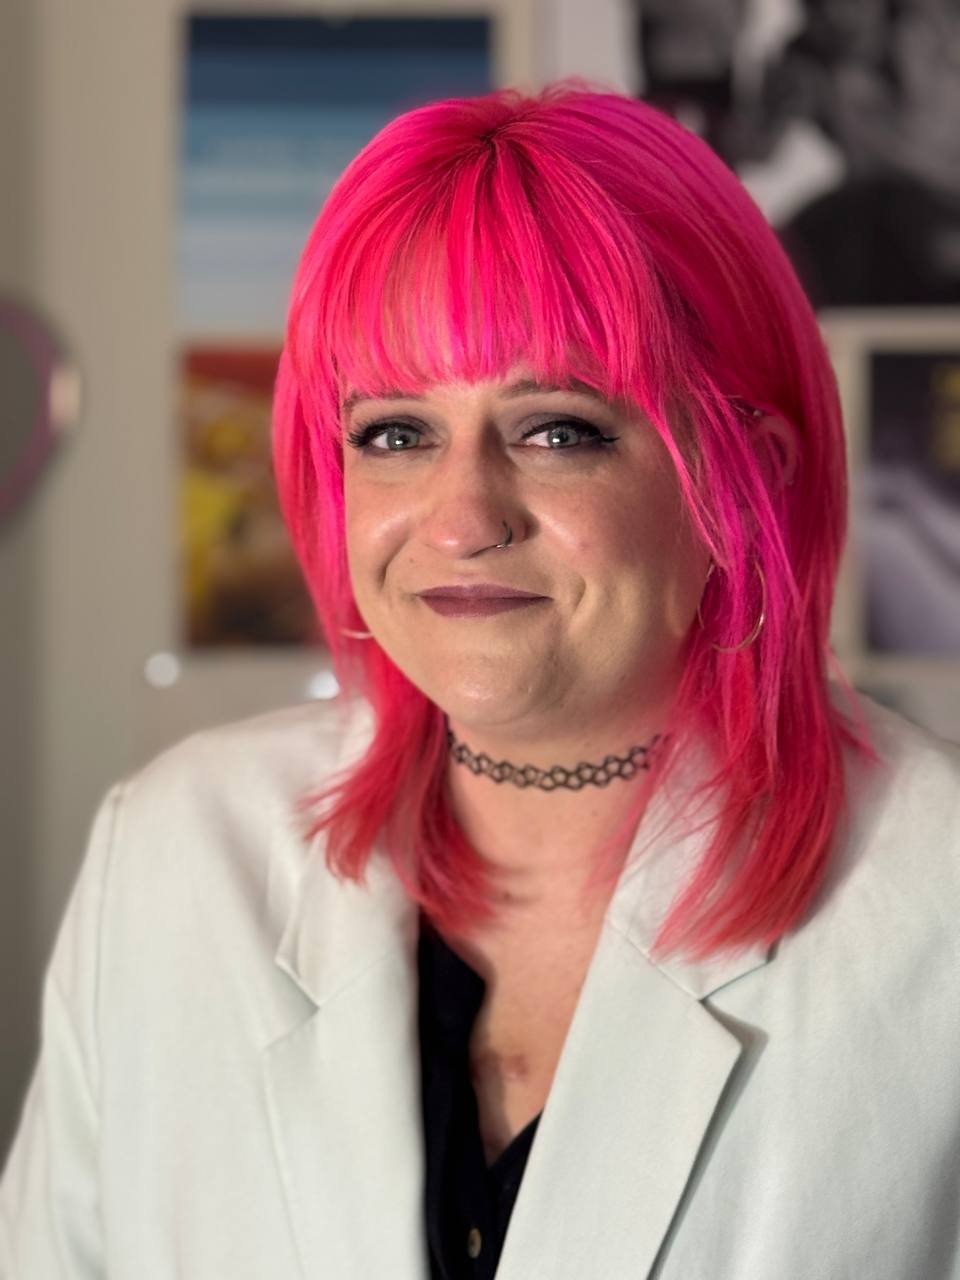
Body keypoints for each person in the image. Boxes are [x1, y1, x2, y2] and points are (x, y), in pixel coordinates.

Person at [2, 81, 958, 1280]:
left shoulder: (940, 906)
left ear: (741, 481)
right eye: (396, 432)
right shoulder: (168, 851)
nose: (458, 518)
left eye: (557, 427)